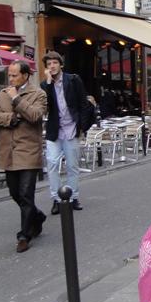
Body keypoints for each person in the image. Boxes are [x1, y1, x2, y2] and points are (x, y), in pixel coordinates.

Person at [0, 61, 47, 254]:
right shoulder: (3, 93)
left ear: (25, 76)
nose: (11, 79)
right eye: (10, 75)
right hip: (8, 152)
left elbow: (35, 115)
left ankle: (24, 235)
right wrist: (10, 118)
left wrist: (16, 100)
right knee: (15, 193)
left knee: (25, 194)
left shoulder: (38, 94)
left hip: (28, 150)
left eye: (14, 75)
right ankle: (37, 216)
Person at [41, 51, 88, 215]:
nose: (52, 66)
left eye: (54, 63)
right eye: (48, 64)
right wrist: (48, 84)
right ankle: (56, 199)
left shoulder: (73, 80)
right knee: (52, 164)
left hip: (71, 128)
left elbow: (83, 103)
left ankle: (74, 197)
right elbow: (45, 106)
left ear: (60, 64)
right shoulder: (44, 85)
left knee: (72, 166)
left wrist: (82, 127)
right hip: (55, 130)